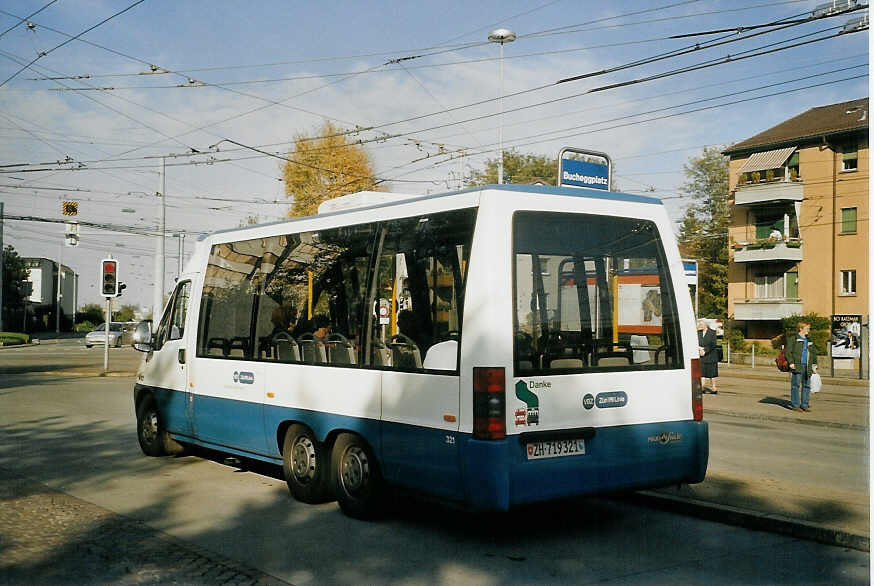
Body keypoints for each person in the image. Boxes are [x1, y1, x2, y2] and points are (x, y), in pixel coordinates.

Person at [786, 321, 818, 412]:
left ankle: (805, 405)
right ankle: (795, 405)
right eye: (807, 328)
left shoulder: (809, 340)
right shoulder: (794, 338)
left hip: (807, 366)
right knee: (795, 385)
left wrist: (814, 365)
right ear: (801, 329)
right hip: (797, 366)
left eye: (809, 328)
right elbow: (788, 352)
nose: (809, 330)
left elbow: (813, 353)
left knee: (807, 385)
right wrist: (791, 362)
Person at [696, 319, 719, 394]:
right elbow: (696, 342)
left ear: (706, 325)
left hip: (711, 356)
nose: (700, 325)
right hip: (701, 356)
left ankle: (714, 388)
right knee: (702, 373)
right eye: (699, 324)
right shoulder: (698, 333)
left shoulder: (712, 332)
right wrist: (699, 349)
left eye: (701, 324)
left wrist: (705, 350)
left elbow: (713, 344)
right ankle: (702, 387)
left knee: (712, 374)